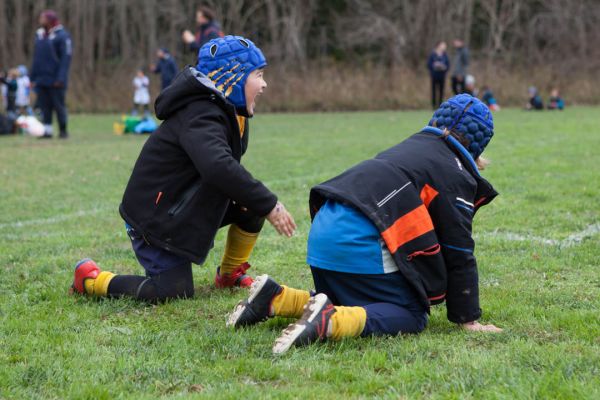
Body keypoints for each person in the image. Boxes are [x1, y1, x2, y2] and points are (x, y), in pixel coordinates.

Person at [228, 94, 503, 354]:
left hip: (323, 234)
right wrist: (468, 318)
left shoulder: (409, 146)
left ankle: (277, 299)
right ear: (477, 146)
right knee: (411, 313)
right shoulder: (455, 173)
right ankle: (330, 320)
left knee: (360, 299)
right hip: (358, 239)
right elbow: (458, 249)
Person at [71, 36, 296, 303]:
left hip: (182, 209)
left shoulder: (231, 112)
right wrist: (271, 204)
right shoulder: (201, 113)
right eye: (258, 75)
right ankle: (91, 280)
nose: (264, 84)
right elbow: (217, 167)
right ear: (233, 77)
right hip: (155, 218)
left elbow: (224, 171)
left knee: (250, 203)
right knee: (171, 292)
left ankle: (229, 274)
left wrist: (257, 201)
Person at [30, 10, 72, 139]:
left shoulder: (62, 36)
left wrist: (60, 78)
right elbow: (36, 59)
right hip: (42, 78)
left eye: (43, 18)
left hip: (56, 79)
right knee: (44, 106)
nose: (40, 20)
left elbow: (66, 59)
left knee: (58, 106)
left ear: (50, 20)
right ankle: (47, 131)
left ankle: (63, 130)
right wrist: (32, 77)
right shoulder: (39, 36)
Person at [427, 41, 450, 109]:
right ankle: (433, 105)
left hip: (442, 75)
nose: (444, 47)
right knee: (434, 91)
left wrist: (444, 67)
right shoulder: (433, 54)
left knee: (441, 91)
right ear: (439, 45)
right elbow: (429, 64)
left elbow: (448, 65)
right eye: (443, 45)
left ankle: (440, 105)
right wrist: (434, 66)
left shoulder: (445, 55)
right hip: (434, 75)